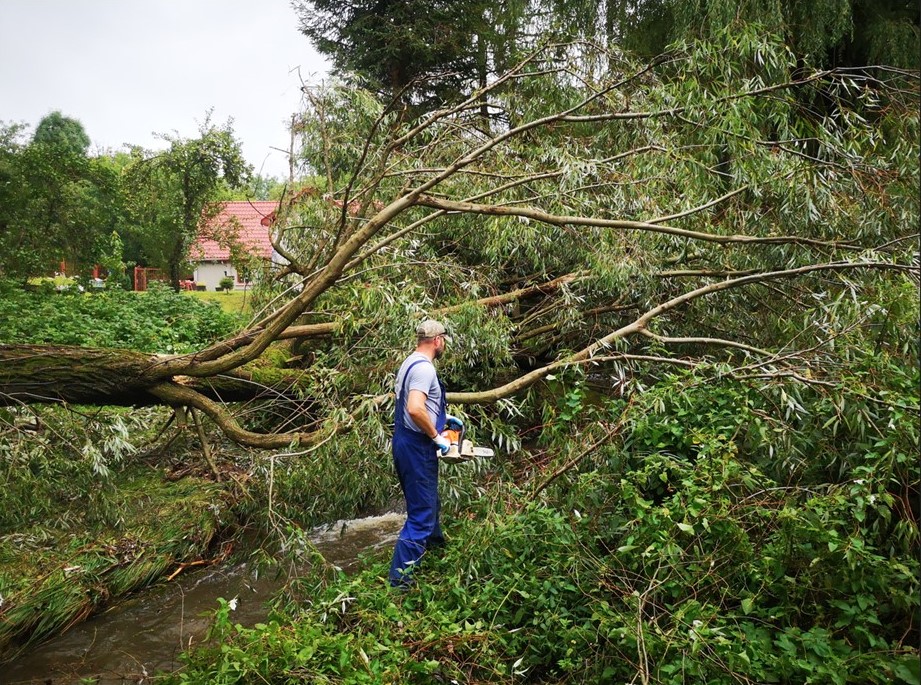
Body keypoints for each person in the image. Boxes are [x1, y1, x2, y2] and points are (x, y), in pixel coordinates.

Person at [388, 319, 463, 587]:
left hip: (405, 441)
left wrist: (441, 419)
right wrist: (436, 436)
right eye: (444, 340)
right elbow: (415, 408)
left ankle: (436, 553)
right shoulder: (425, 370)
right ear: (438, 340)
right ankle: (399, 585)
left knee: (428, 503)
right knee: (421, 516)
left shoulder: (409, 362)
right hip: (417, 446)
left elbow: (418, 405)